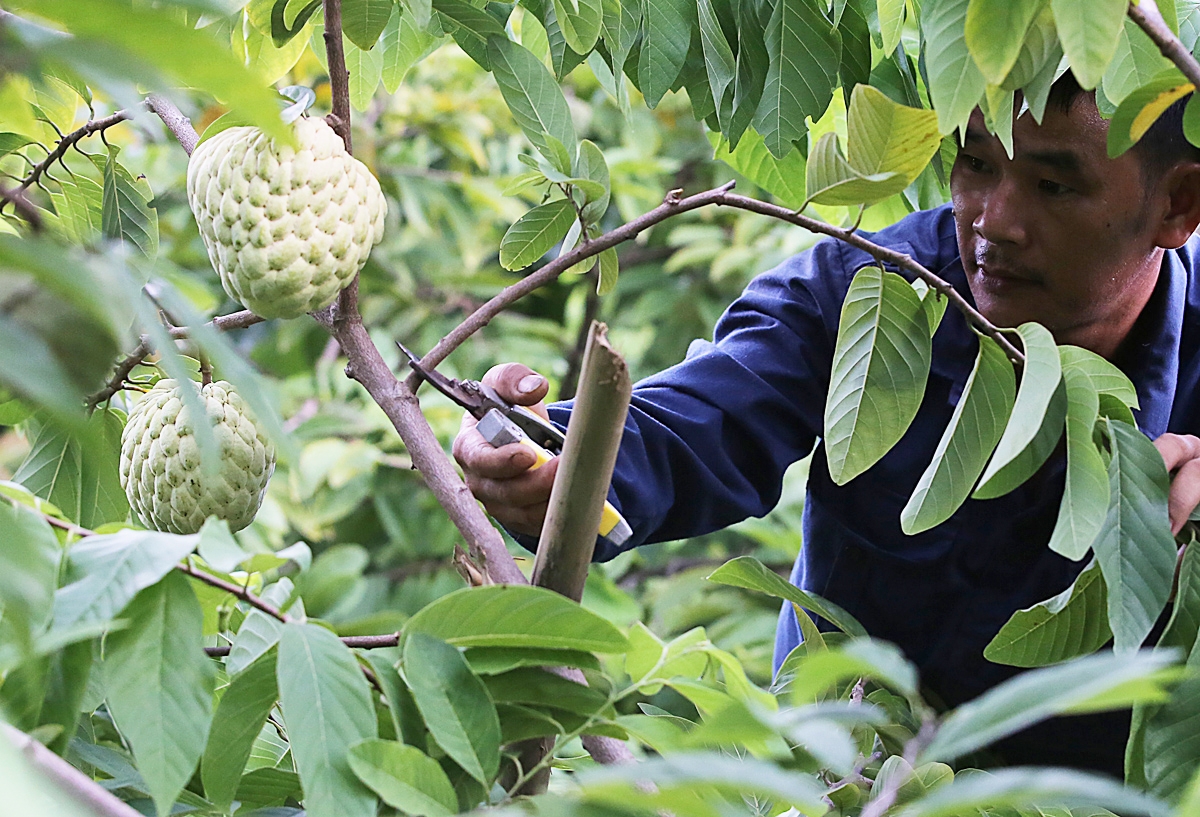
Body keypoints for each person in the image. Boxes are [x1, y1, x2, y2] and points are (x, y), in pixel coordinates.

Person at [453, 74, 1200, 775]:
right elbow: (700, 419)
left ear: (1178, 205)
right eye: (975, 163)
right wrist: (552, 457)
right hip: (843, 780)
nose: (994, 221)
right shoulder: (868, 295)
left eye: (1053, 184)